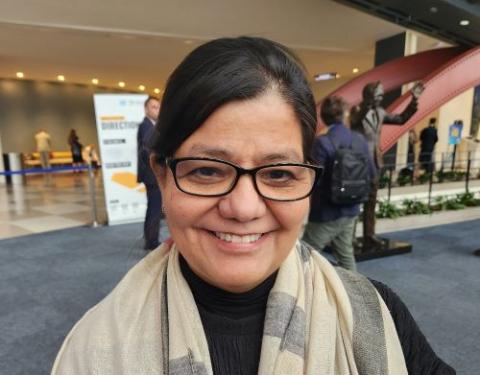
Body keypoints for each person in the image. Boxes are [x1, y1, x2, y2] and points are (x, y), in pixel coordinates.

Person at [52, 37, 454, 375]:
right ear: (161, 174)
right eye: (207, 171)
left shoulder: (375, 316)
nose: (244, 208)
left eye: (279, 174)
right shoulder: (94, 349)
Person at [303, 96, 375, 271]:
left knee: (303, 254)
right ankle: (355, 292)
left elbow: (312, 179)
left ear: (323, 117)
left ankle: (297, 293)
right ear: (345, 115)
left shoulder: (323, 142)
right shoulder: (359, 140)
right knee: (345, 254)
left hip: (327, 211)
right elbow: (372, 173)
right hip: (351, 207)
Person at [350, 81, 423, 250]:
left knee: (371, 201)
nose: (381, 98)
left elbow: (401, 119)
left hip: (375, 163)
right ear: (369, 96)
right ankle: (351, 237)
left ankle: (369, 235)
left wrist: (414, 100)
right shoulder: (357, 111)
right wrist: (367, 105)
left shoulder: (380, 112)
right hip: (359, 163)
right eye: (379, 95)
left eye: (382, 95)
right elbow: (356, 120)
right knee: (355, 202)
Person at [137, 96, 167, 250]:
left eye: (159, 107)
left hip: (152, 174)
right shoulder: (146, 126)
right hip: (152, 175)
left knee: (154, 207)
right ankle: (151, 242)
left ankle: (151, 238)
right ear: (146, 109)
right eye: (154, 107)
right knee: (154, 208)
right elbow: (148, 152)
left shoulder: (153, 125)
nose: (157, 110)